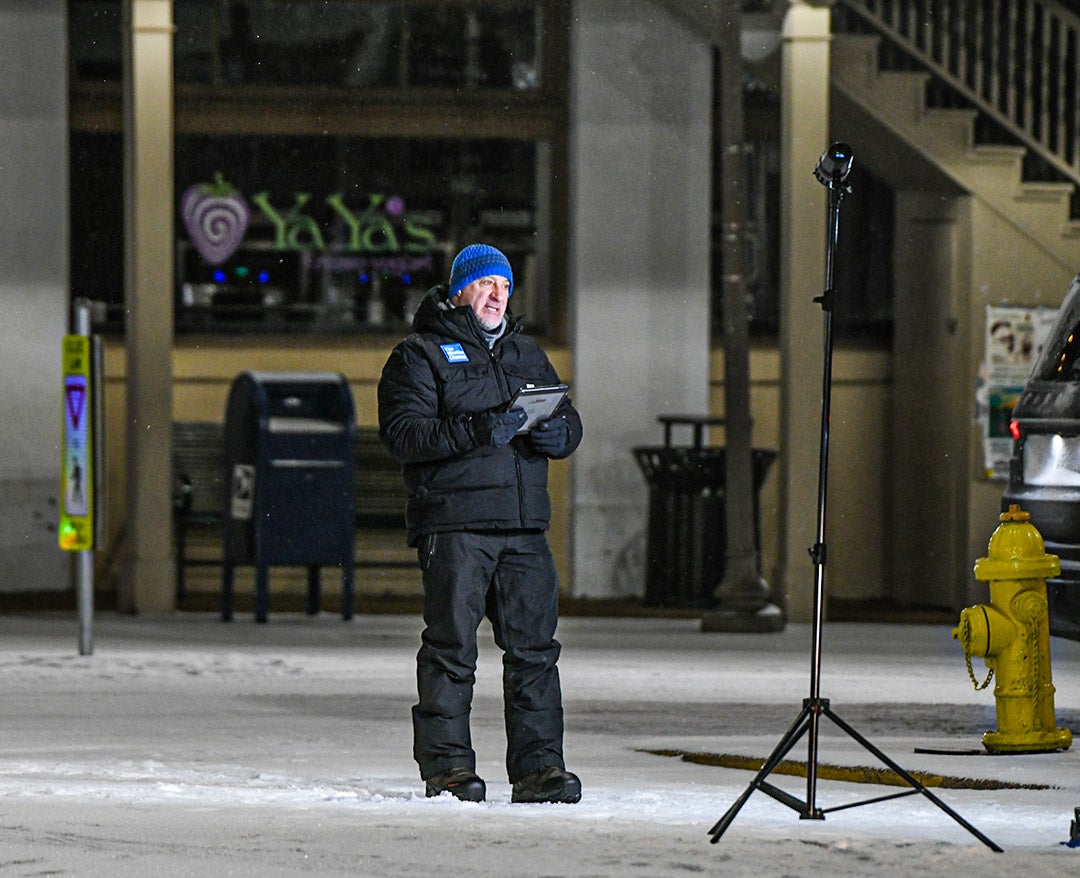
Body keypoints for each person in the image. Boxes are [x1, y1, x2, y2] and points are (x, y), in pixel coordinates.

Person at [378, 244, 583, 804]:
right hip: (456, 525)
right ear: (460, 290)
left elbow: (567, 417)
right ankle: (447, 768)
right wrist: (478, 430)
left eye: (505, 285)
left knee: (535, 652)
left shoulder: (525, 351)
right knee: (451, 648)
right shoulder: (418, 354)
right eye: (487, 284)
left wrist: (558, 435)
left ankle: (541, 769)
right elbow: (403, 435)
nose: (498, 295)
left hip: (522, 528)